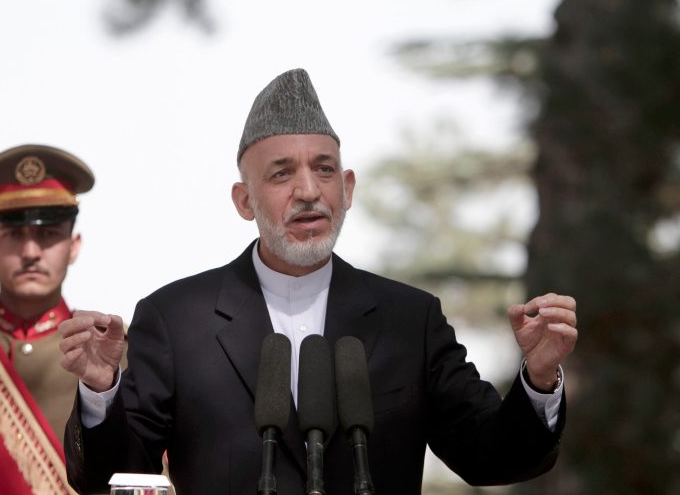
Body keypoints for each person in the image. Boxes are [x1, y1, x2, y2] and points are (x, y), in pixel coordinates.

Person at [59, 69, 578, 495]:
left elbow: (490, 457)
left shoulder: (409, 319)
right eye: (282, 174)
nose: (309, 190)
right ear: (244, 201)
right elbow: (113, 477)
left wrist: (538, 377)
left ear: (347, 188)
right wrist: (102, 390)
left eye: (325, 170)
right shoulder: (177, 318)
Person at [0, 143, 95, 445]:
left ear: (74, 247)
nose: (31, 252)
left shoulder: (116, 356)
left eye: (48, 234)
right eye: (12, 235)